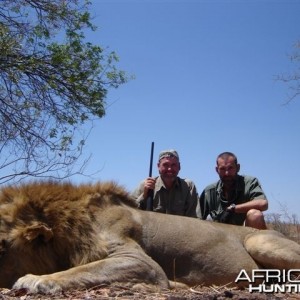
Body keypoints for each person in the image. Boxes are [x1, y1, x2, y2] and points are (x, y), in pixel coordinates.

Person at [199, 151, 268, 229]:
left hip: (245, 233)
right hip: (220, 235)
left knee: (255, 215)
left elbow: (263, 203)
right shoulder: (209, 191)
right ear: (216, 170)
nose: (227, 173)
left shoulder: (249, 182)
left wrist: (233, 208)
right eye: (222, 169)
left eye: (230, 168)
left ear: (238, 168)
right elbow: (197, 218)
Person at [131, 149, 199, 217]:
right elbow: (129, 213)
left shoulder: (188, 186)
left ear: (179, 166)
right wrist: (144, 195)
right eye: (165, 165)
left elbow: (195, 219)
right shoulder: (145, 185)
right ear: (158, 166)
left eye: (173, 165)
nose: (169, 169)